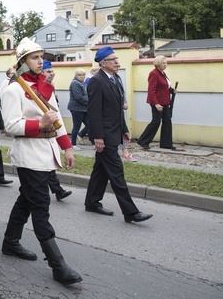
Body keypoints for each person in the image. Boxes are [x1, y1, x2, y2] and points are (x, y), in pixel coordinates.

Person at [0, 38, 81, 285]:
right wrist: (39, 124)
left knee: (27, 200)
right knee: (41, 207)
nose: (40, 61)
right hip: (28, 155)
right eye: (34, 57)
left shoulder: (45, 86)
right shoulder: (13, 89)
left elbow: (57, 120)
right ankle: (57, 264)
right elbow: (11, 125)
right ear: (23, 61)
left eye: (41, 56)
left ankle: (10, 242)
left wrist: (66, 148)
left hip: (47, 152)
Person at [84, 46, 153, 224]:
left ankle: (92, 202)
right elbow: (94, 111)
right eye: (112, 59)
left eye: (116, 59)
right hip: (104, 135)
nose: (117, 62)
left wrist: (124, 129)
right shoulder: (96, 81)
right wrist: (98, 136)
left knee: (101, 170)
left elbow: (117, 109)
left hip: (114, 132)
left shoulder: (114, 79)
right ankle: (130, 212)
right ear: (103, 63)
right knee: (116, 171)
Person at [41, 61, 72, 201]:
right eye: (48, 71)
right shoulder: (25, 88)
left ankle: (57, 190)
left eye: (52, 71)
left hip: (51, 134)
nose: (52, 73)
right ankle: (57, 190)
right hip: (38, 136)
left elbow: (57, 117)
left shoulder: (50, 87)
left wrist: (67, 148)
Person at [136, 55, 176, 151]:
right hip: (157, 102)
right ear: (158, 64)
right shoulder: (154, 73)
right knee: (156, 122)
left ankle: (166, 144)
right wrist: (156, 104)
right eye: (163, 63)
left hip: (165, 101)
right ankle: (143, 141)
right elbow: (151, 90)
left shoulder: (162, 73)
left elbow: (164, 87)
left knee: (167, 122)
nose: (165, 65)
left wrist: (171, 90)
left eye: (166, 63)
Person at [67, 68, 89, 150]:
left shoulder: (82, 83)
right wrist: (90, 102)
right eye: (79, 75)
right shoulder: (75, 83)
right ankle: (73, 144)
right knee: (77, 126)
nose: (82, 76)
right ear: (76, 75)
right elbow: (78, 97)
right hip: (76, 108)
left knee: (90, 124)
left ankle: (80, 135)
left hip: (83, 108)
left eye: (83, 75)